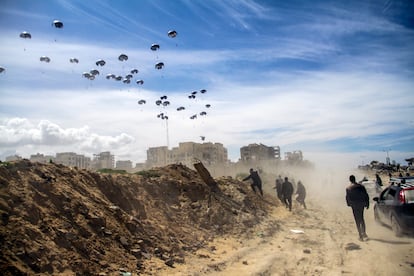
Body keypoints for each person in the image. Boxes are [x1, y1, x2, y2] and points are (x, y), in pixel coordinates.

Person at [346, 175, 370, 241]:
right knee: (362, 218)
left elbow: (348, 198)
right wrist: (367, 204)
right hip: (361, 204)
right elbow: (366, 195)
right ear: (355, 179)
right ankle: (364, 233)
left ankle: (360, 235)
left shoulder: (348, 188)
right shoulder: (361, 186)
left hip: (354, 205)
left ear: (350, 180)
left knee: (357, 220)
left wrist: (349, 204)